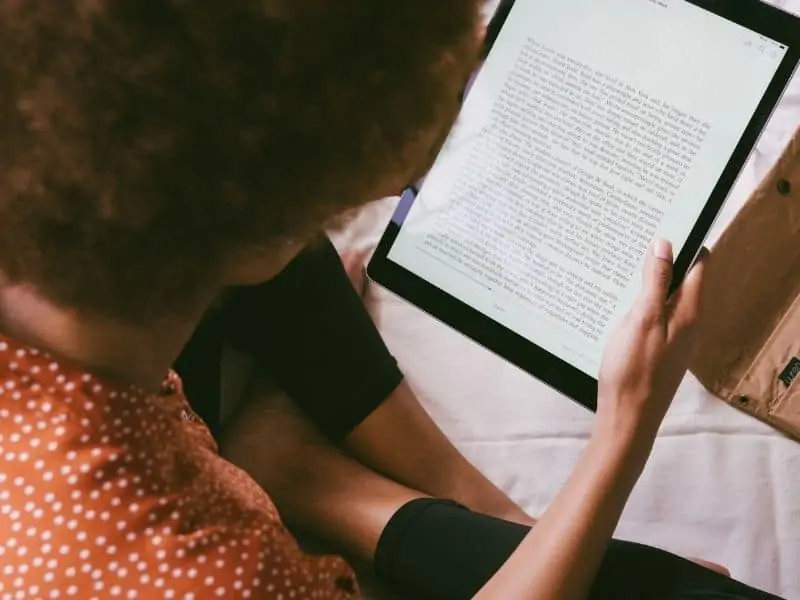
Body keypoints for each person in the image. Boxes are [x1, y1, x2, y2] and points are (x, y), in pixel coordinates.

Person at [0, 1, 785, 599]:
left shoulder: (86, 179)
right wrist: (624, 428)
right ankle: (320, 487)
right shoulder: (210, 567)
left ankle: (421, 494)